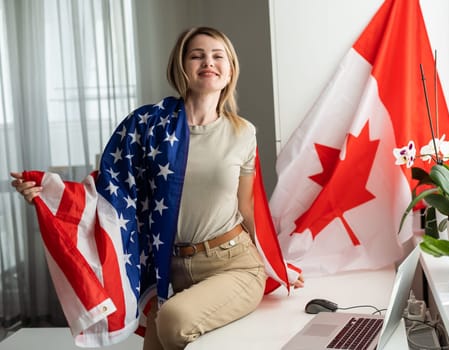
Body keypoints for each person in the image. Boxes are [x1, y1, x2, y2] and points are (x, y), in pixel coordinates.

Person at [11, 26, 303, 349]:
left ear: (230, 69)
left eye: (218, 56)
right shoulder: (150, 127)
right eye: (197, 55)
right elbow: (110, 190)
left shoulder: (243, 133)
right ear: (181, 67)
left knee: (172, 321)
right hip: (171, 269)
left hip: (233, 264)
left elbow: (249, 210)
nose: (208, 62)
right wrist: (49, 193)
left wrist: (276, 266)